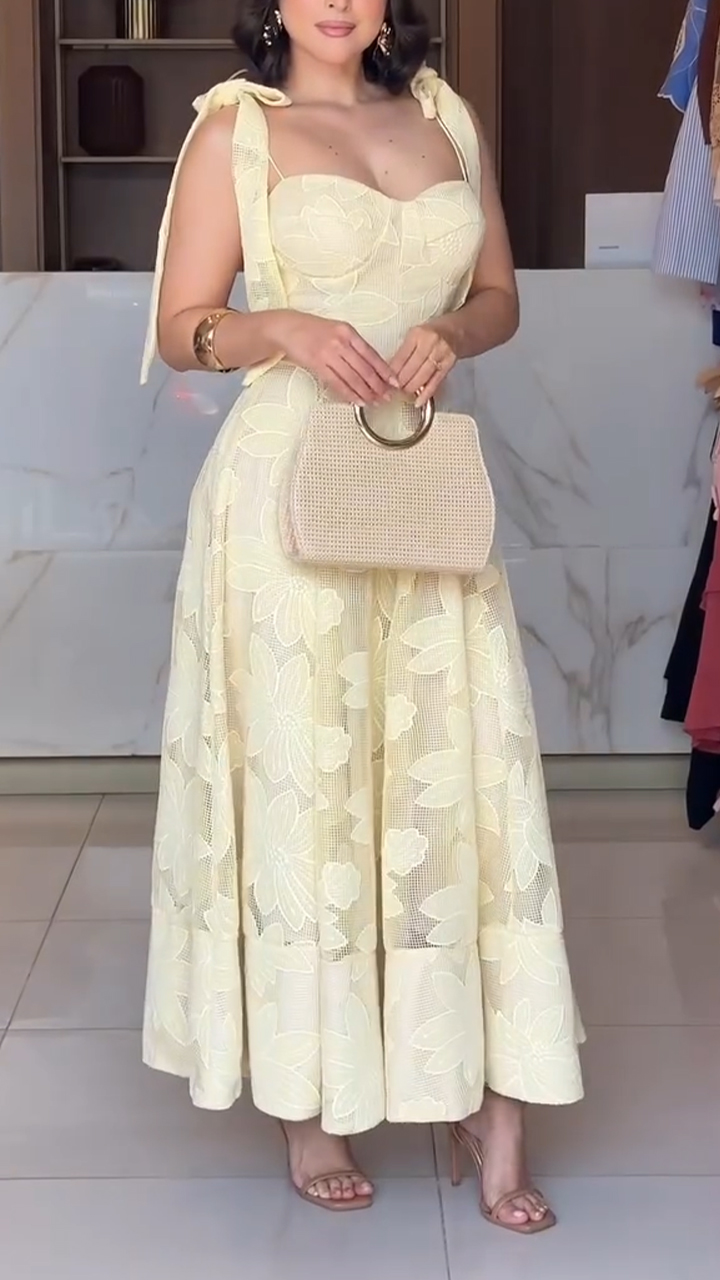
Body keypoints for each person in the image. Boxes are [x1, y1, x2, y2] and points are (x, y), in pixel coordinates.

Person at [141, 0, 584, 1233]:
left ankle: (486, 1097)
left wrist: (448, 330)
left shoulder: (445, 115)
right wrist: (278, 325)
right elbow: (181, 326)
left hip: (421, 472)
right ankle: (311, 1098)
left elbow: (498, 293)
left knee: (461, 780)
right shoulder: (234, 129)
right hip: (282, 490)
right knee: (311, 786)